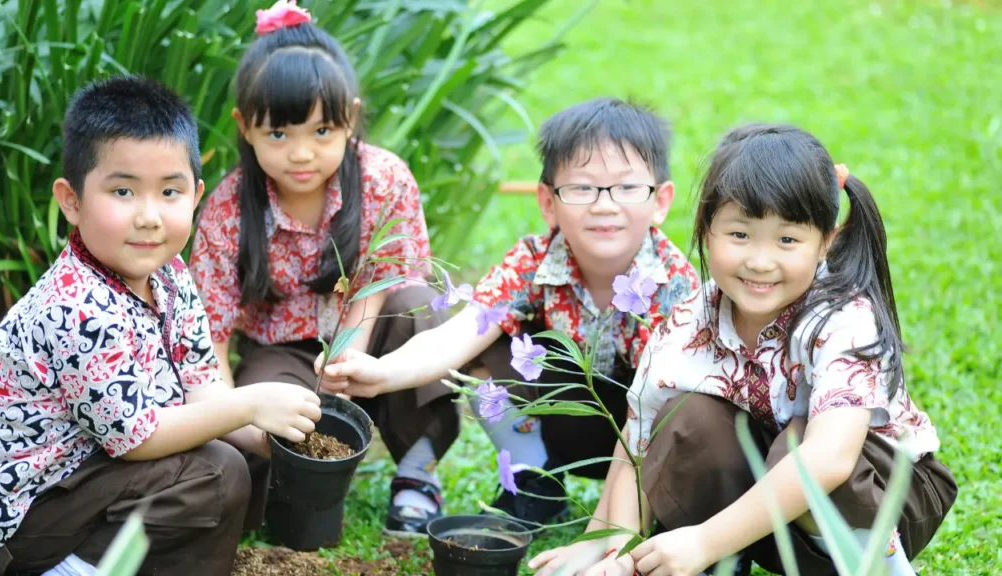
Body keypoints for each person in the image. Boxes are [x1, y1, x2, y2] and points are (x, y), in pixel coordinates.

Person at [530, 124, 957, 576]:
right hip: (773, 515)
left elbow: (829, 459)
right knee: (686, 418)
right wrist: (613, 550)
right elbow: (636, 441)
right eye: (739, 235)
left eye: (787, 240)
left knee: (797, 444)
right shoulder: (689, 320)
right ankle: (725, 561)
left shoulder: (843, 317)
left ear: (825, 244)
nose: (760, 261)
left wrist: (703, 542)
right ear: (706, 230)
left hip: (889, 497)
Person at [0, 76, 321, 576]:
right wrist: (249, 404)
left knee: (236, 456)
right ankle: (69, 570)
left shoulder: (170, 273)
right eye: (122, 191)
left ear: (195, 195)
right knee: (215, 472)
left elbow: (200, 380)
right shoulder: (75, 305)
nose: (149, 217)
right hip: (29, 512)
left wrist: (263, 433)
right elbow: (137, 438)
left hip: (93, 474)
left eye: (169, 192)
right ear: (71, 200)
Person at [318, 97, 699, 525]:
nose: (604, 205)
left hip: (645, 435)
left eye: (627, 188)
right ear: (548, 202)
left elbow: (661, 406)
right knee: (485, 339)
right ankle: (534, 482)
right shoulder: (533, 261)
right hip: (561, 422)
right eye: (582, 188)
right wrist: (381, 372)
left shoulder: (674, 283)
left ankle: (657, 506)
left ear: (661, 200)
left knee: (682, 406)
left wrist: (612, 524)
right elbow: (457, 335)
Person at [188, 0, 457, 537]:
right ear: (245, 127)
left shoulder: (384, 179)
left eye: (322, 132)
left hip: (374, 330)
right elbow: (211, 332)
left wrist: (348, 358)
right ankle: (298, 484)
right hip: (281, 349)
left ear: (350, 119)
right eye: (279, 134)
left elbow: (384, 276)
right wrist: (233, 418)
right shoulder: (228, 208)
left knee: (418, 307)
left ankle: (417, 470)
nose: (301, 154)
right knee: (273, 431)